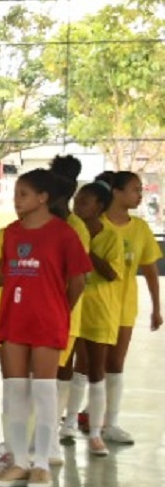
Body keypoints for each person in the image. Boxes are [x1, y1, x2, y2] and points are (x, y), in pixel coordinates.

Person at [0, 170, 93, 487]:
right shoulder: (10, 234)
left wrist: (59, 311)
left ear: (43, 197)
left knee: (44, 391)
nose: (17, 201)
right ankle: (19, 461)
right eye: (16, 194)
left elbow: (77, 281)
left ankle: (42, 464)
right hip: (13, 320)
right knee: (14, 390)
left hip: (48, 322)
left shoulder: (64, 235)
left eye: (23, 194)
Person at [99, 169, 162, 445]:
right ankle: (81, 418)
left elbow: (150, 271)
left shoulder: (140, 229)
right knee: (89, 365)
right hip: (96, 306)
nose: (140, 194)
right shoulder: (95, 224)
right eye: (135, 189)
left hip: (124, 307)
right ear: (116, 192)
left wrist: (156, 308)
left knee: (115, 364)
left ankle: (109, 423)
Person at [71, 182, 125, 457]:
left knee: (96, 371)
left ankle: (95, 433)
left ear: (99, 207)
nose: (77, 206)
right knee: (73, 368)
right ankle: (68, 424)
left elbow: (112, 273)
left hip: (101, 310)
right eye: (76, 201)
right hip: (74, 307)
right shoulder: (68, 231)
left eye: (84, 202)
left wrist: (87, 252)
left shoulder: (111, 237)